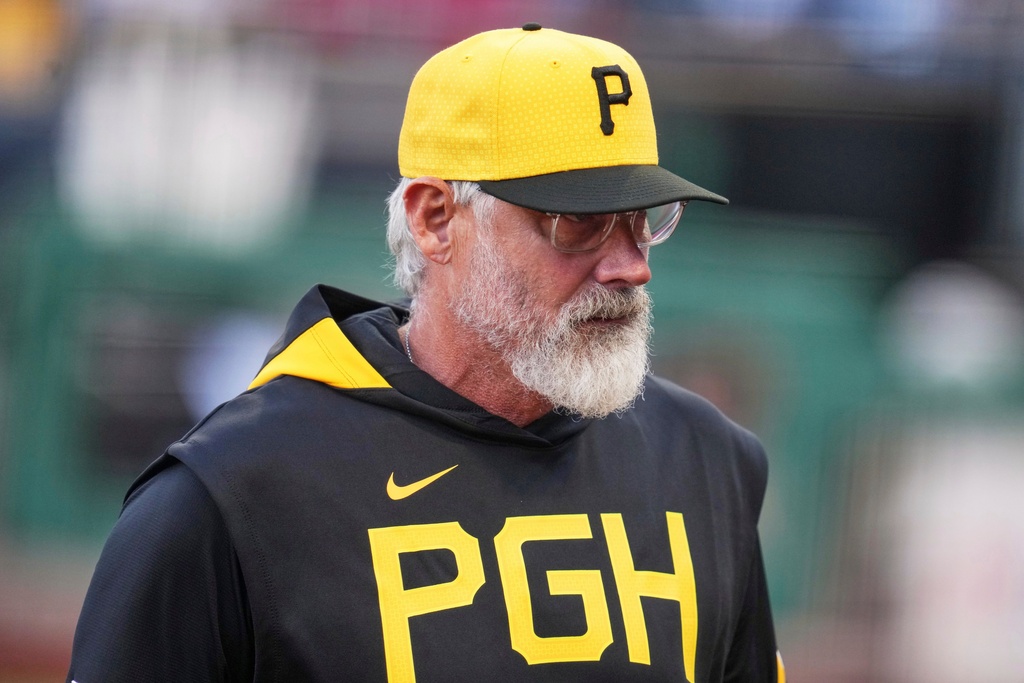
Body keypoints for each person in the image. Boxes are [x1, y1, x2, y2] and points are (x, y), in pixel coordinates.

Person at [67, 24, 783, 683]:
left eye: (641, 220)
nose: (631, 266)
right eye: (578, 223)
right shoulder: (229, 494)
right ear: (435, 219)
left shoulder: (707, 460)